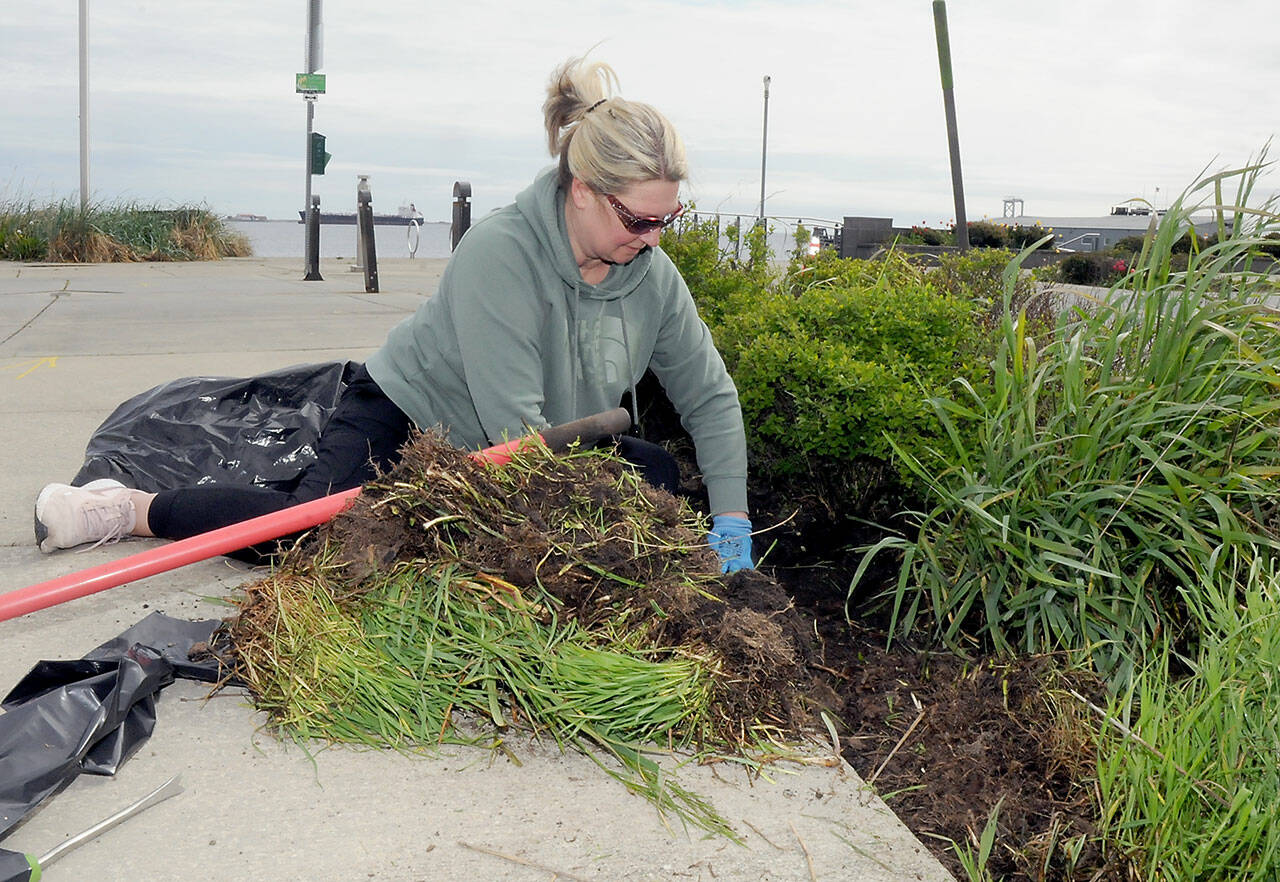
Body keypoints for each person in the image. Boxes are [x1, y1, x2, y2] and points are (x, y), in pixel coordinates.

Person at [34, 56, 754, 573]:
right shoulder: (502, 253)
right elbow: (515, 433)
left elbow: (711, 400)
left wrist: (732, 530)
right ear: (583, 191)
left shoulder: (651, 277)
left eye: (669, 218)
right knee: (307, 535)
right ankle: (128, 508)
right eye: (639, 219)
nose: (655, 239)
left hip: (544, 446)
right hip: (416, 420)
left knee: (655, 473)